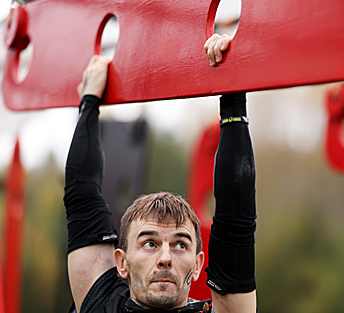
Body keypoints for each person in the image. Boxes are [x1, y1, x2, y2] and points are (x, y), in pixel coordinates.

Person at [64, 34, 257, 313]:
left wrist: (233, 97)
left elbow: (236, 225)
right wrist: (90, 99)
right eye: (149, 243)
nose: (165, 258)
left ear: (198, 265)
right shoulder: (100, 305)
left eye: (180, 245)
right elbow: (81, 196)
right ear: (122, 262)